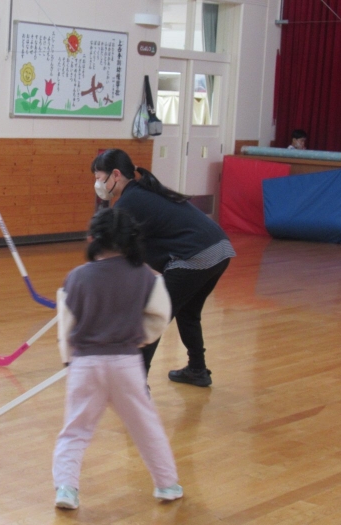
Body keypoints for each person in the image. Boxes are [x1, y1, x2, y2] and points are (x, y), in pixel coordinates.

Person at [53, 208, 182, 510]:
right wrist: (139, 338)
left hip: (85, 366)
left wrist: (69, 360)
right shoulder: (146, 276)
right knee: (145, 426)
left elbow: (66, 328)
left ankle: (66, 489)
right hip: (126, 364)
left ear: (91, 239)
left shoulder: (76, 277)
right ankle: (166, 484)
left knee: (75, 430)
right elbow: (159, 317)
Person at [92, 149, 235, 387]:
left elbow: (114, 253)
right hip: (219, 249)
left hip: (194, 257)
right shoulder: (144, 190)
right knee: (188, 312)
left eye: (99, 177)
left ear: (115, 174)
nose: (97, 184)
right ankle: (197, 370)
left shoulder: (128, 203)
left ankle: (137, 386)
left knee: (151, 316)